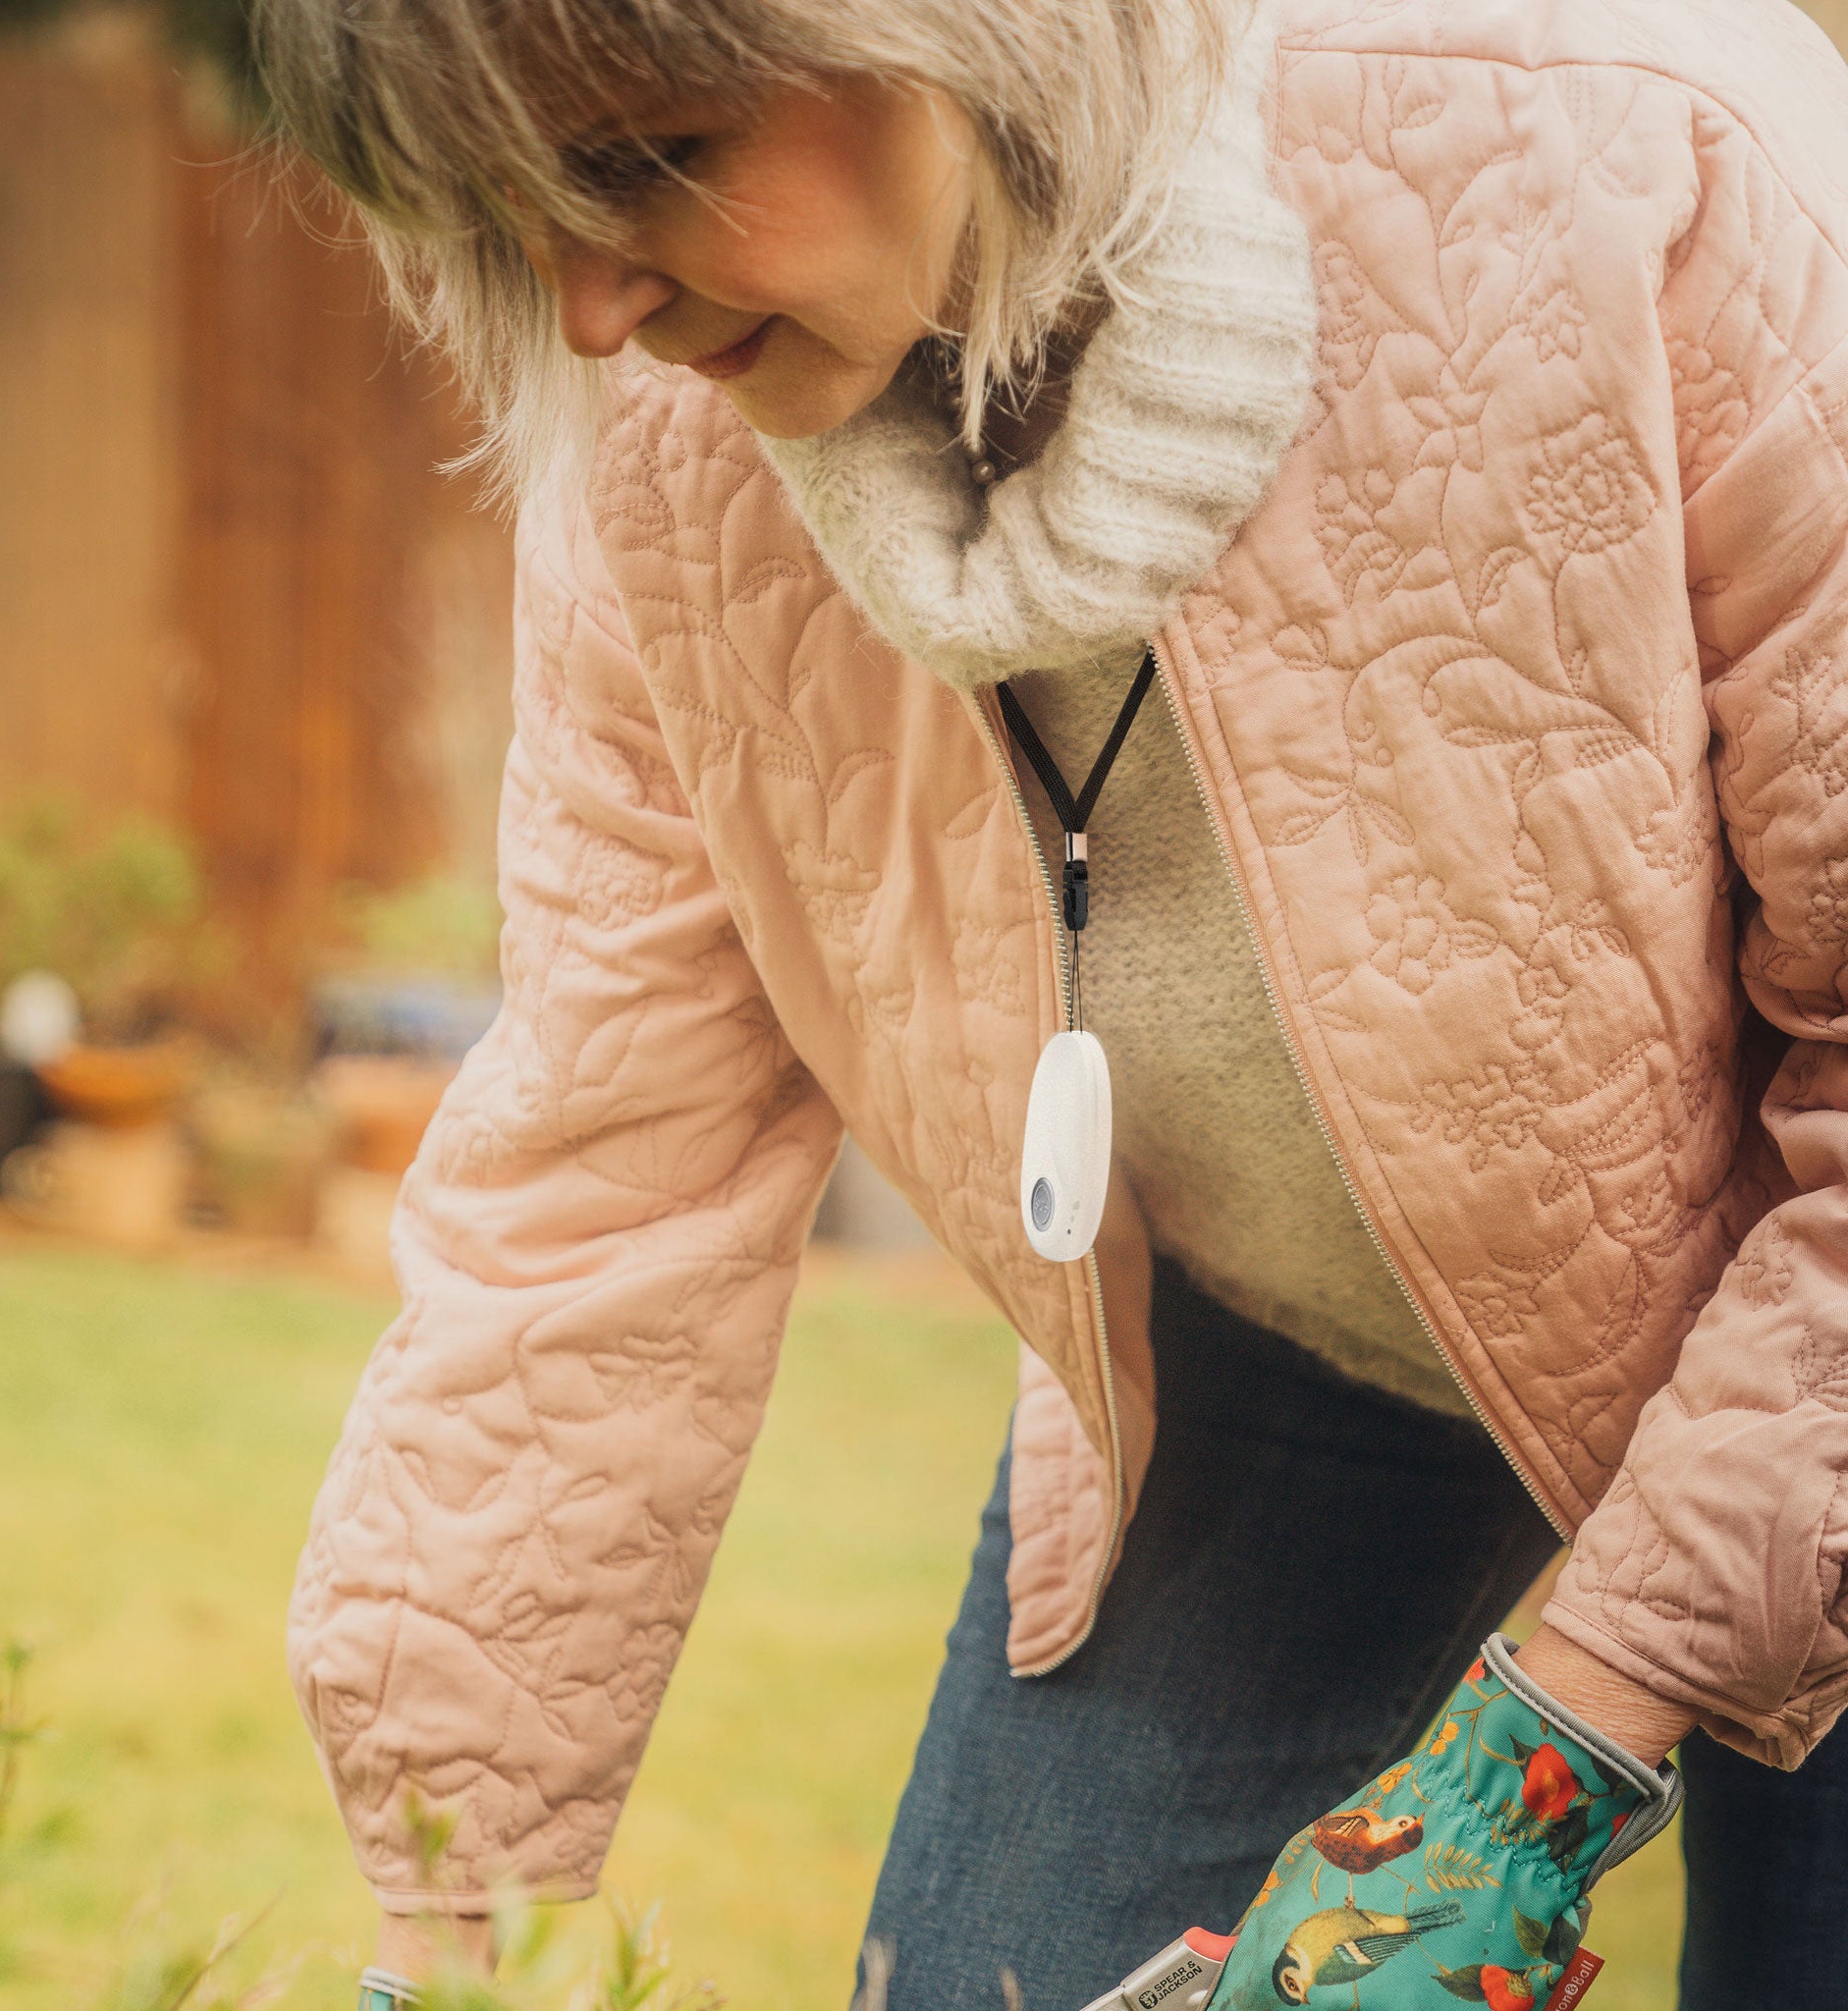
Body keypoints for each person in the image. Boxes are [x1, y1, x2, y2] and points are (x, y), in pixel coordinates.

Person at [258, 0, 1848, 2002]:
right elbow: (593, 1188)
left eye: (649, 159)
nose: (584, 308)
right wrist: (451, 1918)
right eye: (509, 208)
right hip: (1304, 1346)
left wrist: (1556, 1749)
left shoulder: (1637, 161)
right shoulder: (666, 459)